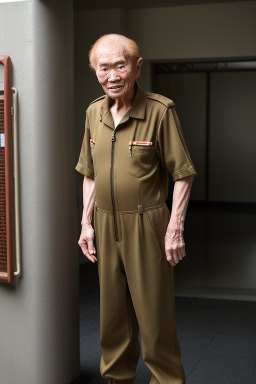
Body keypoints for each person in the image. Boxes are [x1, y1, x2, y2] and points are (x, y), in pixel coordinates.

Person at [75, 33, 197, 384]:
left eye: (120, 65)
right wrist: (86, 224)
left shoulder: (160, 110)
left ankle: (167, 379)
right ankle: (118, 378)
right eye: (104, 67)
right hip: (104, 221)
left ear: (136, 67)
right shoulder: (94, 112)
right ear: (95, 72)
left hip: (148, 222)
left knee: (155, 318)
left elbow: (184, 174)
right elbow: (90, 174)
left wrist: (174, 229)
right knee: (112, 319)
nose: (112, 74)